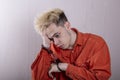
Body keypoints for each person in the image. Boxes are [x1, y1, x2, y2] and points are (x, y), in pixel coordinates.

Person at [31, 8, 111, 80]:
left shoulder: (96, 44)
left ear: (67, 25)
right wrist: (46, 45)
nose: (55, 42)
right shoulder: (51, 48)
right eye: (51, 38)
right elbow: (38, 78)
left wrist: (65, 67)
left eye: (57, 35)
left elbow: (100, 78)